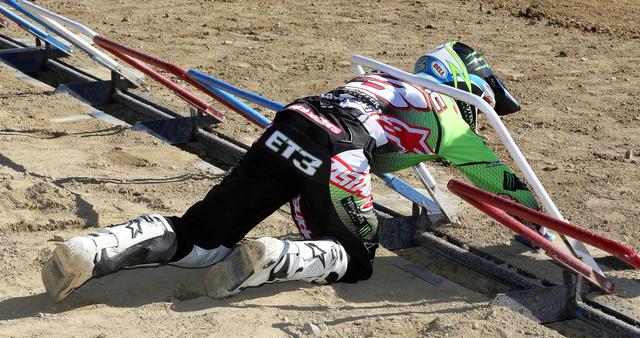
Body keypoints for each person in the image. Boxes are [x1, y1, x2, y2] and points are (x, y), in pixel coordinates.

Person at [42, 41, 544, 302]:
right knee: (357, 257)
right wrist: (537, 221)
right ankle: (277, 257)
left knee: (200, 240)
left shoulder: (378, 78)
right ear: (466, 88)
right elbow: (499, 179)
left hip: (291, 124)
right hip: (339, 151)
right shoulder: (452, 121)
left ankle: (95, 247)